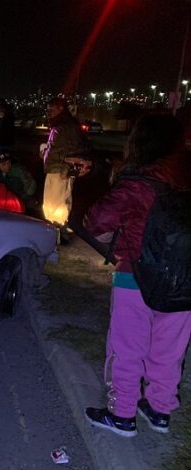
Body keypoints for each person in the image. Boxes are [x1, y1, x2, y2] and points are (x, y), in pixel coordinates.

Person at [83, 114, 191, 437]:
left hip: (135, 276)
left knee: (127, 348)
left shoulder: (136, 182)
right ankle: (159, 410)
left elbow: (96, 221)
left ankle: (123, 414)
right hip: (184, 282)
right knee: (169, 351)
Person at [41, 97, 85, 229]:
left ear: (61, 109)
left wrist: (66, 168)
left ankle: (56, 233)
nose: (49, 112)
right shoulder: (62, 125)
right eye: (48, 109)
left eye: (52, 109)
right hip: (56, 170)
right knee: (56, 206)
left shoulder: (65, 126)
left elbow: (74, 149)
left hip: (59, 172)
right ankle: (57, 231)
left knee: (55, 207)